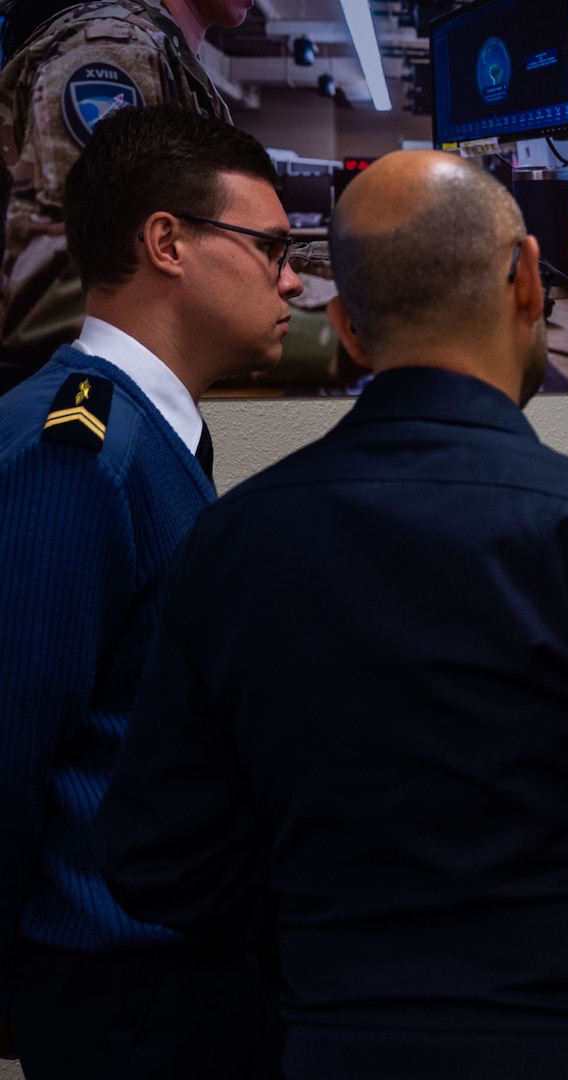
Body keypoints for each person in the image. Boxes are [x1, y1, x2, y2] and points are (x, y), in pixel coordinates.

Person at [93, 149, 568, 1080]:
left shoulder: (228, 544)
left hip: (333, 1045)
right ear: (527, 280)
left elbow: (155, 858)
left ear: (348, 328)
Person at [0, 105, 300, 1076]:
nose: (291, 278)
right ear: (166, 241)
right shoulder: (77, 449)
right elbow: (9, 746)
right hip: (116, 990)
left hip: (170, 974)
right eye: (270, 247)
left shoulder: (139, 436)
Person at [0, 0, 244, 394]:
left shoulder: (168, 60)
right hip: (76, 410)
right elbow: (69, 294)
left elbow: (208, 248)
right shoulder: (115, 46)